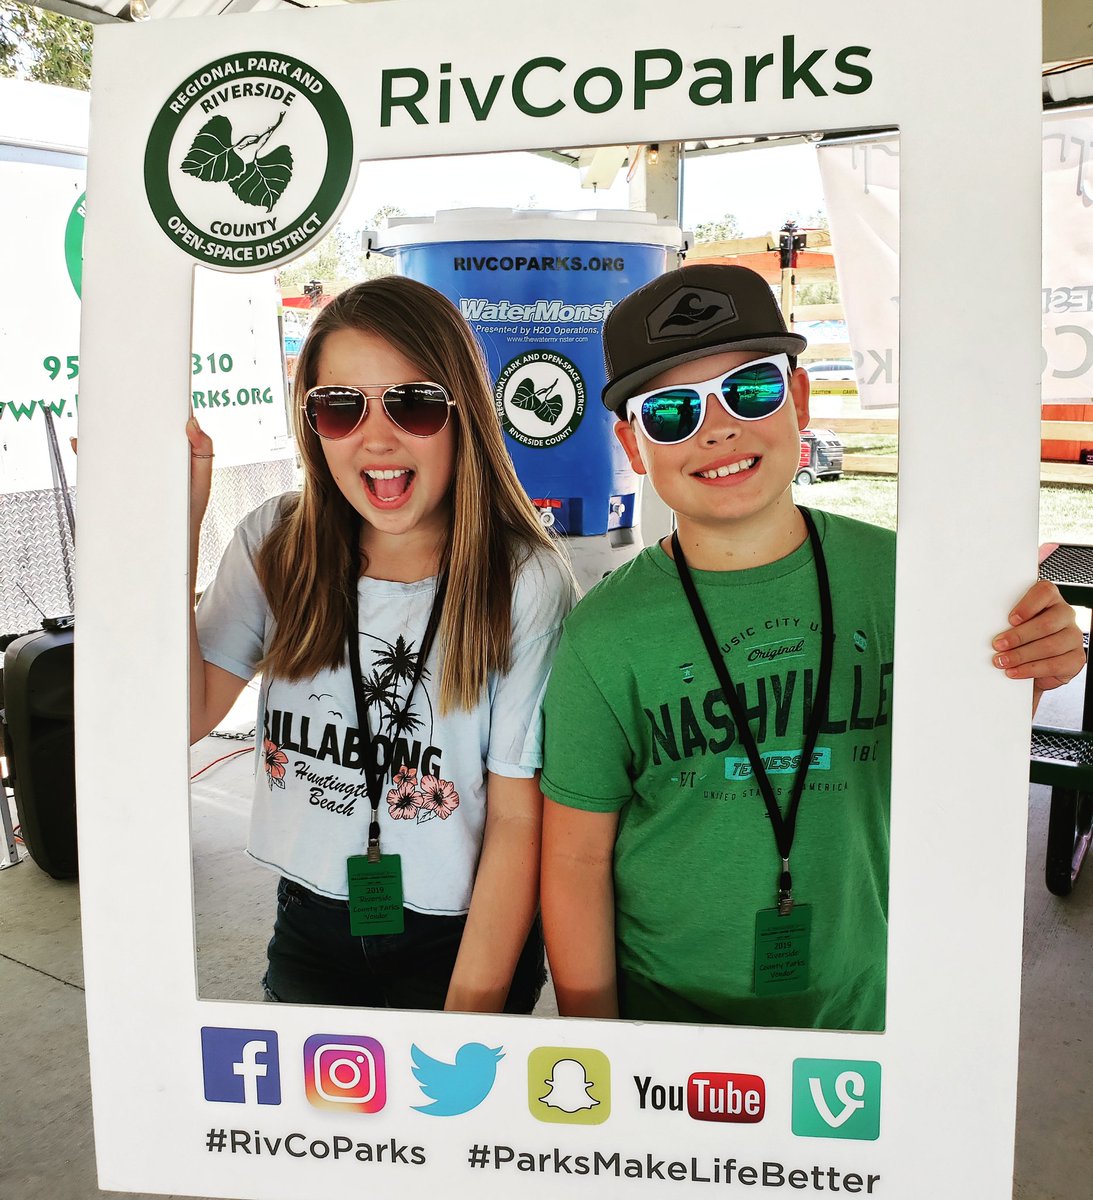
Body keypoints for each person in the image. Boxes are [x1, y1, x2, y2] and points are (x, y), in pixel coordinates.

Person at [539, 263, 1086, 1031]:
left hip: (870, 1001)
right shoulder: (603, 635)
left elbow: (964, 759)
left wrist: (1034, 663)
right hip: (665, 1023)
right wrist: (595, 1043)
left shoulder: (910, 580)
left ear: (797, 399)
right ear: (634, 444)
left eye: (750, 389)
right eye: (670, 412)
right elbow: (573, 859)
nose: (718, 429)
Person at [188, 276, 575, 1013]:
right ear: (311, 424)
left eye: (414, 403)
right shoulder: (277, 542)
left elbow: (520, 816)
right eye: (340, 407)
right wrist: (176, 526)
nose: (376, 436)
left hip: (462, 937)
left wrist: (470, 1009)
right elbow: (185, 714)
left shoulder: (522, 579)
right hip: (309, 921)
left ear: (464, 414)